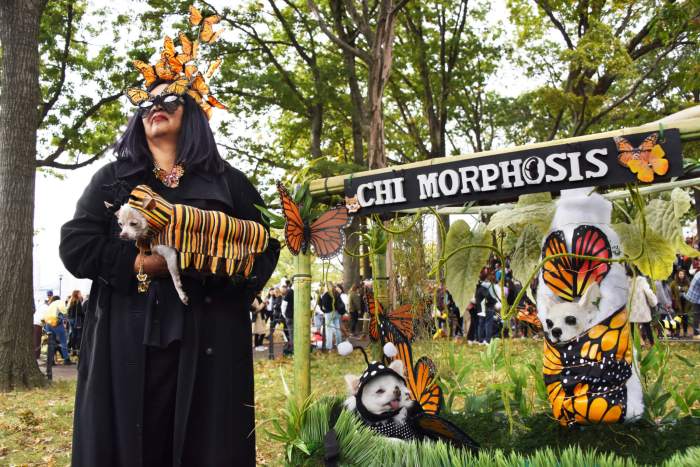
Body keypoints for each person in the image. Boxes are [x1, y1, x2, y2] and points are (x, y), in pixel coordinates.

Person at [59, 35, 280, 465]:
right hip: (126, 341)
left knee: (205, 443)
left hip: (207, 340)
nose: (156, 107)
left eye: (171, 99)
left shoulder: (227, 181)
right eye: (146, 104)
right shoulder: (112, 180)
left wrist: (209, 265)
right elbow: (76, 245)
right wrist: (142, 263)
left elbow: (264, 246)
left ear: (192, 113)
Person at [627, 269, 657, 346]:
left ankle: (638, 344)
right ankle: (652, 344)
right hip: (642, 307)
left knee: (632, 326)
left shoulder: (625, 280)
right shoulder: (641, 280)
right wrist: (653, 302)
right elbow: (648, 292)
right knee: (647, 326)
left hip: (630, 308)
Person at [42, 296, 72, 365]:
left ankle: (51, 360)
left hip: (48, 324)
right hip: (57, 323)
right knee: (63, 341)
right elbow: (65, 311)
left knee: (51, 343)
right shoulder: (59, 302)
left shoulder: (49, 305)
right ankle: (66, 359)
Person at [670, 269, 692, 337]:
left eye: (682, 274)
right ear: (678, 274)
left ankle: (685, 332)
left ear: (684, 275)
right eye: (680, 274)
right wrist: (674, 299)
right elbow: (671, 292)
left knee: (685, 318)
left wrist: (683, 289)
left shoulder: (687, 282)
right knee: (678, 318)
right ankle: (677, 332)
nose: (681, 275)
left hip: (686, 303)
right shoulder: (674, 283)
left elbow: (690, 289)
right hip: (677, 303)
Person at [683, 270, 700, 339]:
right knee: (696, 315)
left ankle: (696, 332)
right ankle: (696, 334)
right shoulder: (699, 276)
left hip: (696, 295)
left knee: (696, 315)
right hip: (695, 297)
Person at [66, 290, 84, 355]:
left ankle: (73, 350)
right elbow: (80, 312)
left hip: (71, 320)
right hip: (77, 320)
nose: (80, 294)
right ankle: (78, 350)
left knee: (73, 335)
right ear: (77, 294)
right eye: (79, 293)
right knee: (78, 335)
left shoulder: (70, 301)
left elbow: (68, 311)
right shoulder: (78, 301)